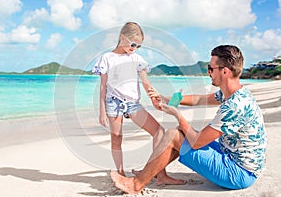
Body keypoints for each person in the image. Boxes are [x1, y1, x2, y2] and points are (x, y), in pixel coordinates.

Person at [110, 45, 267, 194]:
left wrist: (177, 115)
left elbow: (197, 142)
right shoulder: (235, 93)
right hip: (234, 158)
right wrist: (168, 99)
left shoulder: (234, 106)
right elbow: (199, 99)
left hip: (239, 173)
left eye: (211, 69)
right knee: (178, 132)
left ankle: (136, 184)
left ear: (225, 72)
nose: (208, 73)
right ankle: (155, 174)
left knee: (174, 135)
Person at [92, 22, 186, 185]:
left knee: (159, 132)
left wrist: (154, 99)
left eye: (138, 46)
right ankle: (120, 173)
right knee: (116, 137)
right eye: (133, 44)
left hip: (133, 103)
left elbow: (146, 83)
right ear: (122, 38)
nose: (134, 48)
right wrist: (102, 111)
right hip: (113, 103)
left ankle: (160, 174)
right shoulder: (107, 58)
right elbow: (102, 87)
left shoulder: (137, 59)